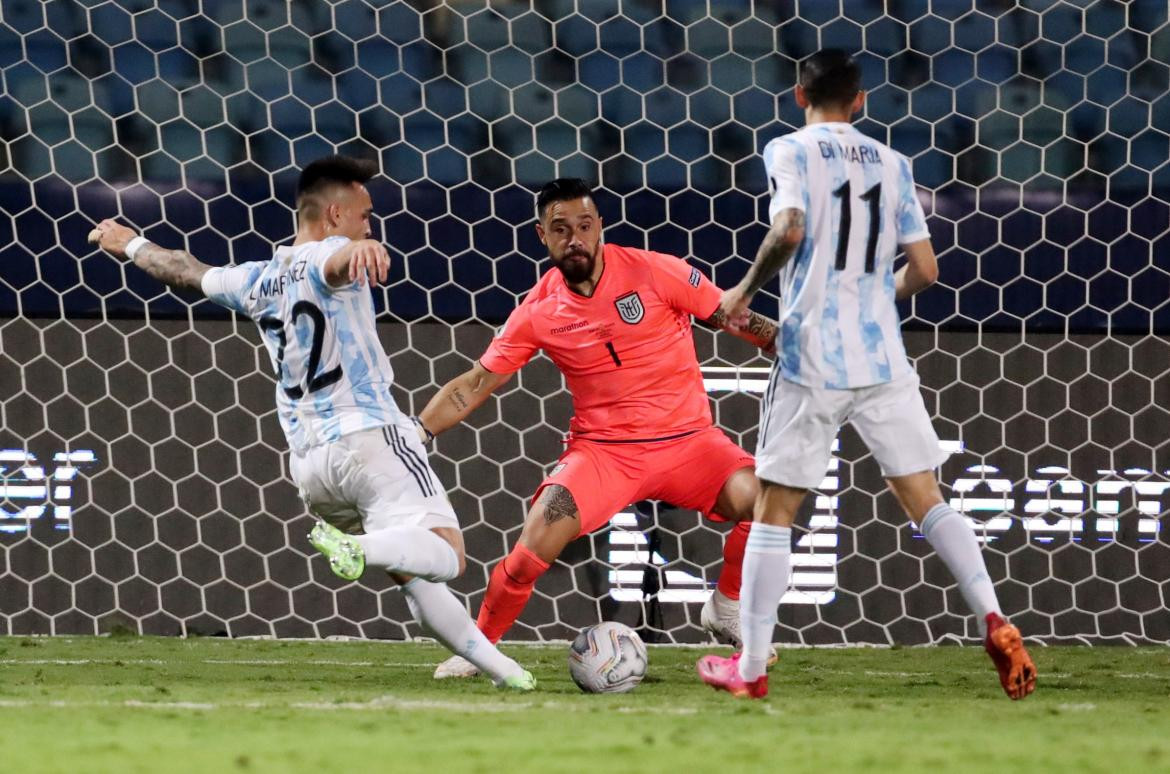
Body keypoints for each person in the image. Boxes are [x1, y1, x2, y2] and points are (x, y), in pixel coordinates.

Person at [89, 154, 535, 691]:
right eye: (365, 215)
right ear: (336, 213)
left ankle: (507, 675)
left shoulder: (256, 278)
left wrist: (130, 243)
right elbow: (335, 264)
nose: (371, 225)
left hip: (311, 468)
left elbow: (184, 269)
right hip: (370, 440)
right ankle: (359, 552)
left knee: (414, 577)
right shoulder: (334, 253)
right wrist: (358, 249)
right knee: (446, 555)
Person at [696, 49, 1037, 701]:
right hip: (882, 357)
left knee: (775, 508)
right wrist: (879, 296)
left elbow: (790, 227)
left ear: (800, 96)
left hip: (812, 353)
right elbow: (928, 271)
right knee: (926, 498)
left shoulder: (791, 150)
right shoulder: (895, 163)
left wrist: (742, 290)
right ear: (861, 101)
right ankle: (993, 616)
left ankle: (753, 667)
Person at [415, 177, 779, 679]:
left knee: (767, 502)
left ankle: (726, 605)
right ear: (542, 235)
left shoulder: (654, 272)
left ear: (600, 226)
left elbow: (731, 315)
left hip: (690, 443)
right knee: (535, 540)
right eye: (560, 229)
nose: (575, 238)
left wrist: (785, 343)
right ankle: (478, 648)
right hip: (606, 452)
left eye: (585, 225)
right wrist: (420, 433)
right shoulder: (540, 311)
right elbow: (475, 383)